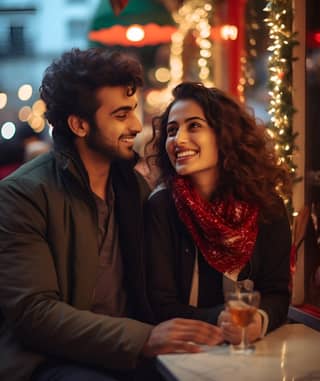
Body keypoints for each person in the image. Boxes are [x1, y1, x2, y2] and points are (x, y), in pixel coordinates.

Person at [0, 51, 223, 381]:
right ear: (79, 124)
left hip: (130, 352)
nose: (136, 125)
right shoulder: (21, 195)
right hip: (50, 361)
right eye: (121, 115)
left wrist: (228, 318)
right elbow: (35, 314)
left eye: (133, 111)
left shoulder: (134, 188)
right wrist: (143, 338)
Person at [145, 82, 292, 346]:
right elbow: (160, 305)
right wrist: (221, 320)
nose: (178, 140)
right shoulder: (162, 206)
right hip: (187, 352)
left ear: (224, 134)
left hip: (253, 352)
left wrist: (259, 319)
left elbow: (277, 293)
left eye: (194, 126)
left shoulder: (267, 206)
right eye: (171, 130)